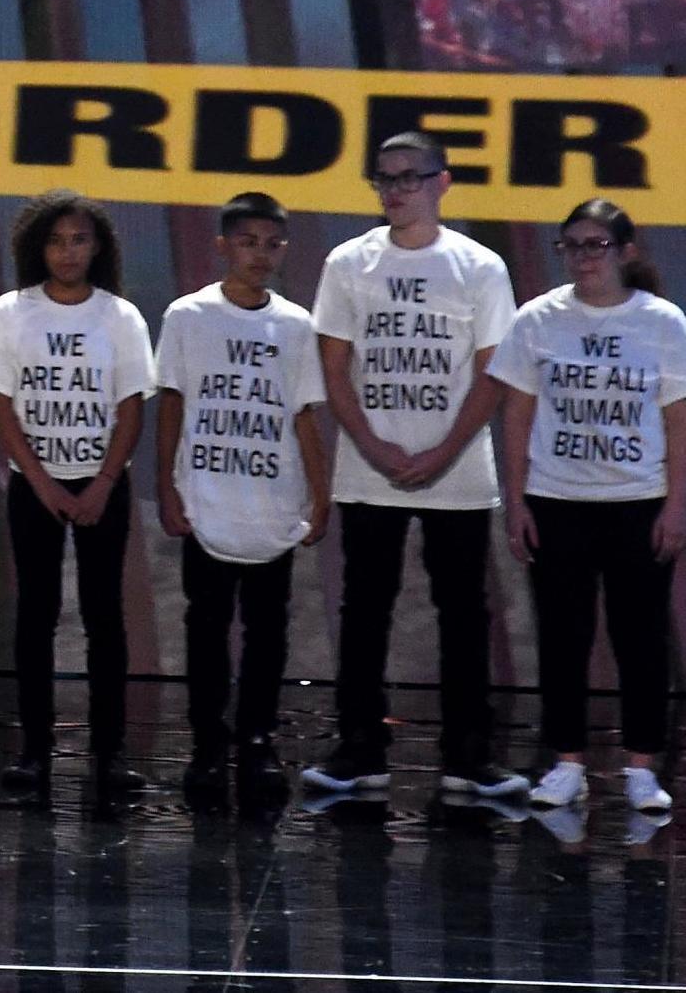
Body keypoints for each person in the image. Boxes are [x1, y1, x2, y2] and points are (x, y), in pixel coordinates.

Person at [302, 132, 526, 800]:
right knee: (364, 608)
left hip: (455, 471)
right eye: (383, 178)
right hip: (369, 468)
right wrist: (373, 447)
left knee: (462, 611)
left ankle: (468, 756)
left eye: (407, 176)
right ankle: (359, 750)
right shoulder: (348, 262)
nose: (394, 189)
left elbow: (494, 373)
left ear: (441, 182)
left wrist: (440, 450)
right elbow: (333, 365)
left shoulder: (478, 266)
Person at [490, 199, 684, 817]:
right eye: (570, 245)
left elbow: (678, 421)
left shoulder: (663, 323)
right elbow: (515, 413)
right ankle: (567, 761)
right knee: (563, 636)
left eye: (595, 245)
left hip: (637, 501)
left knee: (640, 638)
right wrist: (516, 499)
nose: (582, 257)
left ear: (626, 252)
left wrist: (676, 506)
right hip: (557, 500)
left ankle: (642, 768)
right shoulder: (537, 319)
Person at [0, 189, 153, 798]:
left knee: (105, 619)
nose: (67, 252)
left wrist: (101, 481)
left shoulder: (120, 316)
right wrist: (41, 480)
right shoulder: (11, 312)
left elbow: (131, 409)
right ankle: (35, 752)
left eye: (79, 240)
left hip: (103, 485)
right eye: (55, 240)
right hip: (32, 486)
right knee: (35, 618)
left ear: (97, 247)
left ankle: (109, 753)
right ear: (35, 246)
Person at [154, 192, 330, 801]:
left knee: (267, 630)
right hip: (207, 496)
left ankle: (256, 740)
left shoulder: (296, 324)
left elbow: (304, 414)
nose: (261, 254)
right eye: (248, 242)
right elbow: (172, 401)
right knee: (204, 626)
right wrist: (166, 489)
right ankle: (207, 744)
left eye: (272, 243)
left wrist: (321, 493)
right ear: (223, 244)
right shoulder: (187, 316)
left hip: (271, 500)